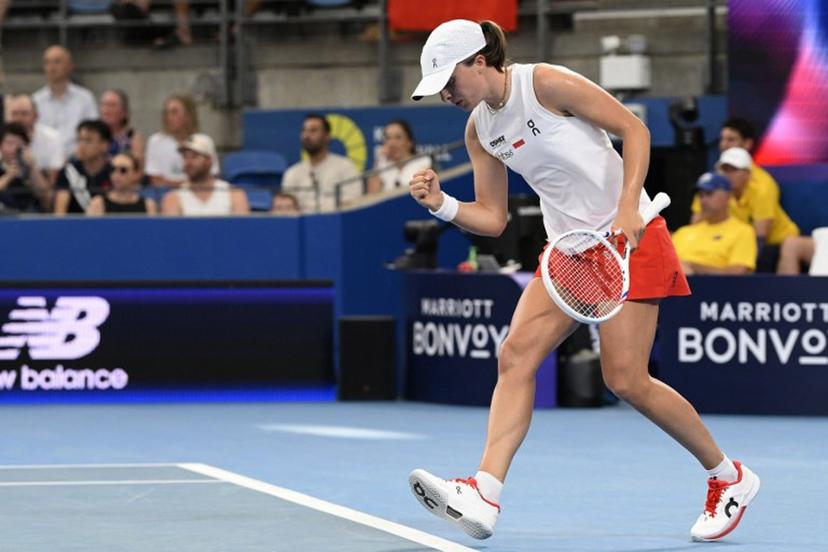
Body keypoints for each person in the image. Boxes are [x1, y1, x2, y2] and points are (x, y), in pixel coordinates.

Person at [404, 19, 760, 543]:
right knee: (515, 356)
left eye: (449, 81)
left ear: (479, 61)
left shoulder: (545, 83)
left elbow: (635, 131)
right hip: (570, 253)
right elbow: (494, 219)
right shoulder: (479, 129)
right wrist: (442, 204)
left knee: (627, 380)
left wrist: (627, 207)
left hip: (629, 240)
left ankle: (728, 476)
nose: (447, 95)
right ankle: (485, 492)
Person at [715, 147, 799, 271]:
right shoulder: (715, 190)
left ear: (748, 173)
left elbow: (760, 238)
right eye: (725, 170)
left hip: (777, 240)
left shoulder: (762, 190)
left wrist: (746, 267)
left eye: (734, 170)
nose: (728, 175)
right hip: (742, 241)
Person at [672, 172, 757, 275]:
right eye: (701, 195)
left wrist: (694, 268)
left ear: (727, 197)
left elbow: (738, 274)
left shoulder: (743, 231)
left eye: (709, 194)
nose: (703, 201)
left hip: (713, 284)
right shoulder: (683, 232)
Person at [281, 113, 360, 213]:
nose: (307, 136)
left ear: (327, 136)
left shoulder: (346, 167)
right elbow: (286, 209)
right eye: (304, 131)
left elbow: (353, 203)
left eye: (313, 131)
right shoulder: (292, 173)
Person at [32, 45, 99, 157]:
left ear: (70, 66)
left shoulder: (85, 98)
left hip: (77, 159)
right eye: (47, 62)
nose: (52, 67)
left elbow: (92, 132)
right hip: (43, 160)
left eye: (57, 62)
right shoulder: (35, 101)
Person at [161, 134, 249, 216]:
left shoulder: (234, 194)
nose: (188, 162)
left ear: (209, 160)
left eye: (195, 156)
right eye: (185, 157)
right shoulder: (173, 198)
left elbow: (242, 227)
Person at [145, 94, 219, 187]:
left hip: (200, 191)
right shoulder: (156, 141)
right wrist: (187, 186)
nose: (169, 117)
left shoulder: (205, 141)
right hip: (165, 193)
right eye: (166, 113)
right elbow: (156, 180)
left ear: (188, 115)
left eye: (174, 112)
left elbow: (213, 175)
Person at [54, 120, 113, 215]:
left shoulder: (114, 172)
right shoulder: (68, 172)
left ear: (104, 145)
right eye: (79, 140)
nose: (82, 145)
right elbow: (60, 213)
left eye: (88, 141)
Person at [5, 94, 64, 186]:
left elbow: (54, 184)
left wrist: (31, 165)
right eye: (14, 114)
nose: (19, 119)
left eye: (24, 114)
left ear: (36, 115)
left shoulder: (52, 138)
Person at [367, 119, 432, 194]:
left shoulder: (424, 162)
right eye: (388, 138)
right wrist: (379, 159)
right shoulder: (382, 166)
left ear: (410, 142)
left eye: (398, 137)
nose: (392, 143)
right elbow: (372, 196)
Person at [0, 123, 51, 212]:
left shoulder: (32, 168)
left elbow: (47, 199)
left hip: (30, 216)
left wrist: (32, 168)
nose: (14, 148)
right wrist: (9, 175)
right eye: (9, 143)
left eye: (19, 144)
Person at [87, 153, 156, 215]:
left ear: (135, 174)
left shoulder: (148, 205)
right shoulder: (98, 204)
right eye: (112, 169)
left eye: (123, 170)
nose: (116, 174)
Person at [99, 89, 145, 168]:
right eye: (104, 105)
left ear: (124, 111)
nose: (107, 110)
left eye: (112, 105)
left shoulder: (133, 137)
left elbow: (137, 166)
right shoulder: (94, 136)